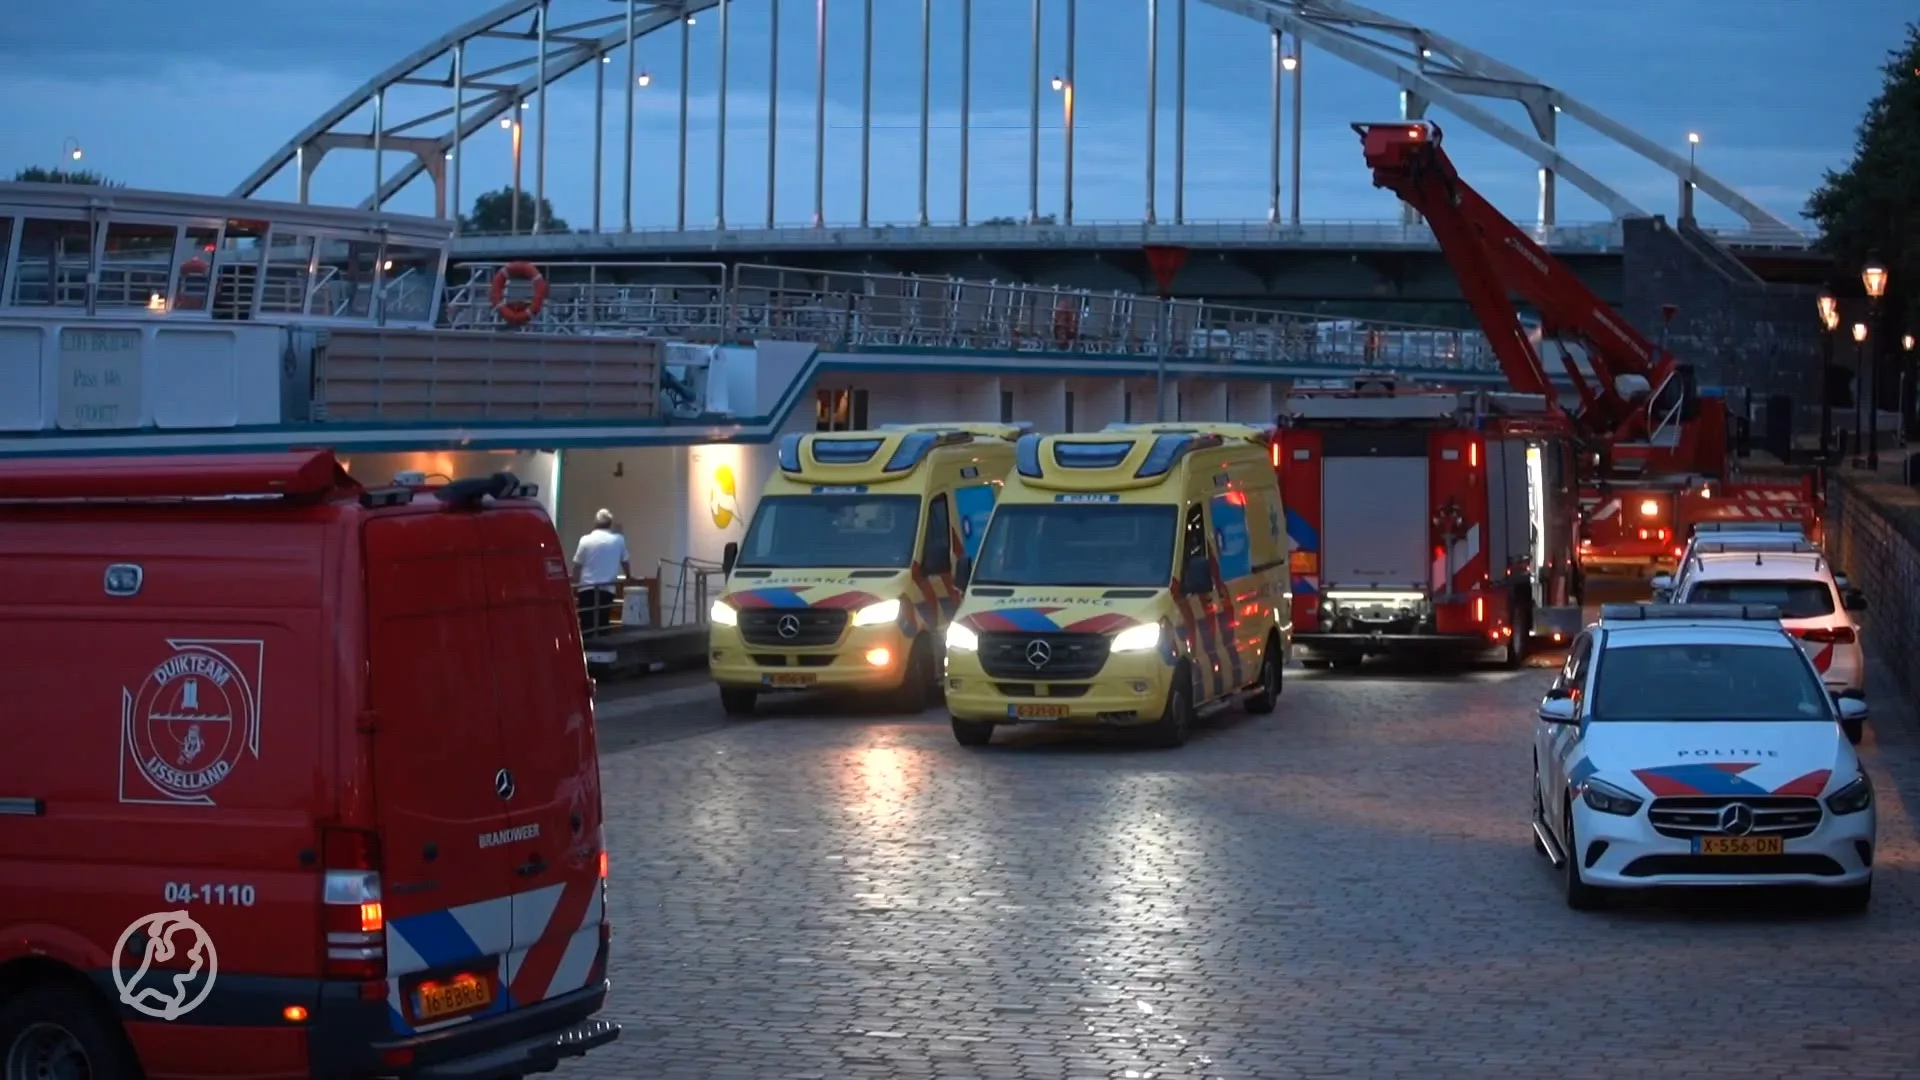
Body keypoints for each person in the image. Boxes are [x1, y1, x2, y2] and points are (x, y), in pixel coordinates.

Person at [572, 509, 630, 636]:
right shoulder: (618, 540)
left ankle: (586, 651)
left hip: (585, 588)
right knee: (603, 621)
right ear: (610, 523)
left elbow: (577, 566)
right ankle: (602, 649)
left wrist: (575, 585)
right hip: (606, 589)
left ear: (595, 523)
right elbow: (625, 562)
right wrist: (629, 577)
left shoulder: (585, 540)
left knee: (586, 623)